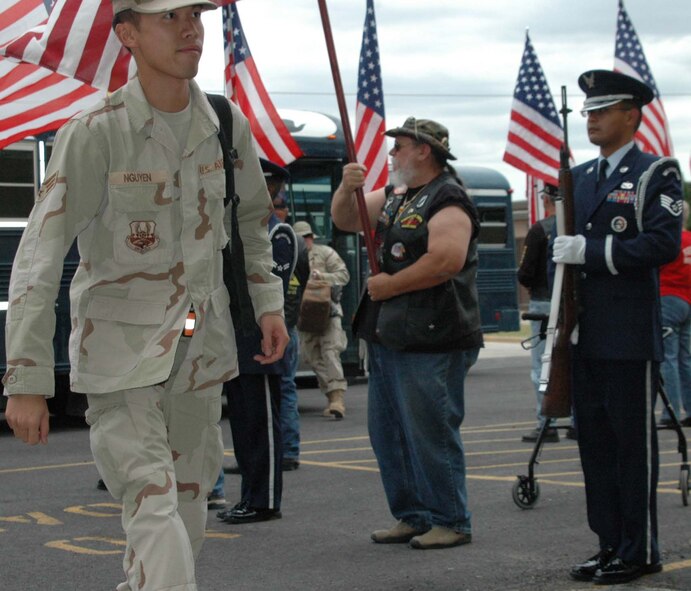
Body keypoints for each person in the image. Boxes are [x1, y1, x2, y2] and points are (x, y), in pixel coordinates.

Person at [2, 1, 288, 589]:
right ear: (127, 33)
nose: (190, 28)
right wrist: (27, 378)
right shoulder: (96, 132)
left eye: (196, 16)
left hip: (197, 351)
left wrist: (268, 304)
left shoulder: (226, 124)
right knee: (154, 510)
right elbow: (39, 254)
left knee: (185, 515)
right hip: (120, 359)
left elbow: (252, 223)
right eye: (169, 17)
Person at [553, 70, 682, 585]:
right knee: (596, 449)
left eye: (603, 111)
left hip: (628, 334)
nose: (592, 119)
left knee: (632, 447)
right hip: (584, 334)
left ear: (632, 114)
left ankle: (640, 549)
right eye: (588, 112)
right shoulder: (581, 178)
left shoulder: (656, 172)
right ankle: (608, 544)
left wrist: (595, 252)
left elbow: (661, 244)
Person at [331, 116, 483, 550]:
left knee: (429, 432)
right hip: (390, 333)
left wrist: (392, 285)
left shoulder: (447, 198)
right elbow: (346, 219)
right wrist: (347, 187)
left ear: (424, 150)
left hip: (431, 336)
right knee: (390, 434)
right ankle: (412, 515)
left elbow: (446, 260)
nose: (392, 152)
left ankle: (451, 519)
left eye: (399, 145)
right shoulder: (399, 195)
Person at [218, 159, 298, 524]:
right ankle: (250, 495)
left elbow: (271, 286)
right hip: (234, 336)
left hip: (260, 337)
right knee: (243, 427)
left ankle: (264, 500)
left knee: (262, 426)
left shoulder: (278, 234)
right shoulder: (237, 228)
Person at [293, 221, 350, 419]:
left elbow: (343, 275)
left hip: (329, 312)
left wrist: (322, 276)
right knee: (312, 357)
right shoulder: (290, 257)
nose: (305, 240)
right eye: (300, 237)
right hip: (304, 315)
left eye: (307, 236)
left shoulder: (325, 253)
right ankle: (330, 393)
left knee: (330, 352)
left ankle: (337, 399)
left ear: (312, 237)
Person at [517, 184, 560, 442]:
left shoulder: (539, 230)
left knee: (541, 367)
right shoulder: (575, 229)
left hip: (543, 304)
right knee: (571, 362)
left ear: (545, 201)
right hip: (571, 304)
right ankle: (578, 421)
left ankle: (547, 423)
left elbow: (525, 272)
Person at [658, 200, 691, 427]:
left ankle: (671, 412)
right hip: (688, 298)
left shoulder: (668, 241)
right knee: (685, 359)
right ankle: (689, 408)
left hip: (668, 297)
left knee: (668, 359)